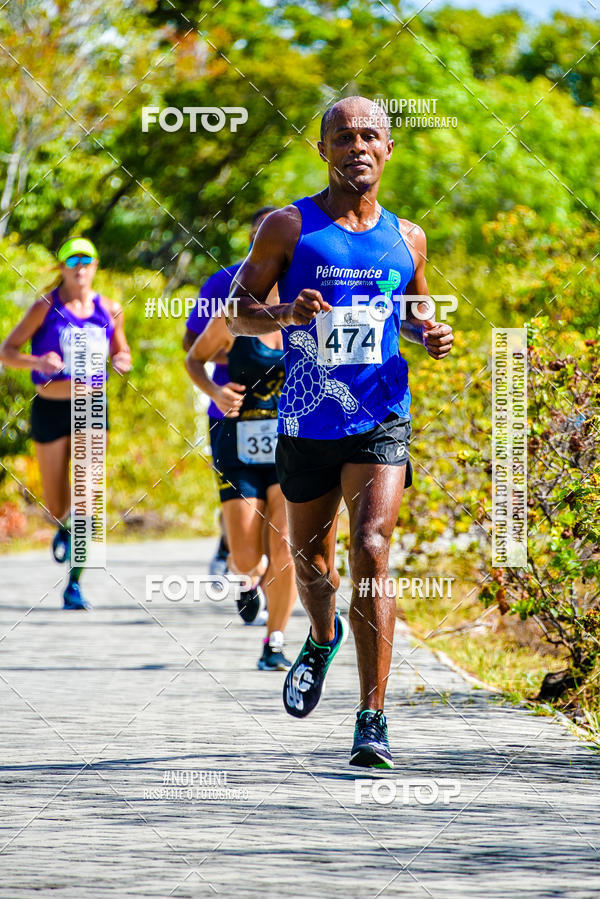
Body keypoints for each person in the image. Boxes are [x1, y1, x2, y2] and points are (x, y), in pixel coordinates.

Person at [226, 96, 454, 767]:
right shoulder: (287, 226)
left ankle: (373, 716)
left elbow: (411, 310)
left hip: (381, 412)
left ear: (387, 148)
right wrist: (284, 312)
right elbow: (237, 314)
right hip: (306, 418)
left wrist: (426, 332)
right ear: (322, 149)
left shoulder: (407, 236)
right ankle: (320, 637)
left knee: (374, 548)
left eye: (369, 135)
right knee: (311, 562)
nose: (357, 145)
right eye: (342, 136)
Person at [0, 237, 131, 609]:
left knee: (87, 497)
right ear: (61, 268)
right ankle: (65, 526)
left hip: (91, 409)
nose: (80, 267)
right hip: (51, 408)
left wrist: (122, 362)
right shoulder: (45, 307)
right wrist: (37, 362)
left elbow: (123, 351)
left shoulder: (109, 309)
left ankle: (74, 583)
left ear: (95, 266)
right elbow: (7, 351)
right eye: (72, 261)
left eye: (87, 261)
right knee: (58, 504)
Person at [184, 273, 297, 671]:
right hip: (238, 443)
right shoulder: (235, 314)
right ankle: (254, 573)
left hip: (294, 446)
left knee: (285, 546)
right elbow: (193, 357)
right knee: (248, 559)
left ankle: (275, 641)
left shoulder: (313, 312)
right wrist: (215, 392)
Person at [183, 207, 277, 588]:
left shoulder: (301, 285)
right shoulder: (222, 283)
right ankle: (241, 557)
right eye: (257, 234)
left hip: (285, 419)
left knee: (283, 528)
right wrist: (236, 353)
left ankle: (277, 626)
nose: (263, 242)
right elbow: (192, 344)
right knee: (246, 536)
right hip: (232, 413)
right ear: (250, 238)